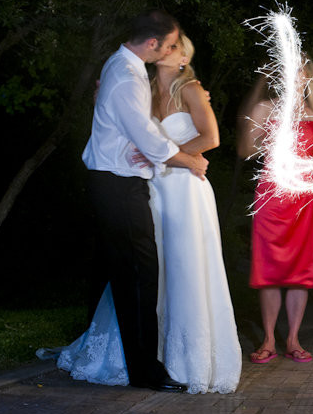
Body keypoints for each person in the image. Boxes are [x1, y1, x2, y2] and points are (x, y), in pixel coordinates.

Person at [59, 31, 241, 394]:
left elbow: (211, 138)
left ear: (184, 58)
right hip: (153, 187)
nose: (165, 50)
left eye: (174, 47)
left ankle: (187, 358)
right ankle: (141, 354)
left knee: (184, 266)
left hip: (185, 188)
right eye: (164, 45)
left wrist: (169, 153)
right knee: (150, 268)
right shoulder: (141, 86)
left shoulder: (191, 89)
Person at [79, 10, 207, 392]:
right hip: (119, 186)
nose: (172, 50)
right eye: (169, 44)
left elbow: (143, 130)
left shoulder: (124, 70)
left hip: (116, 184)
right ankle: (146, 372)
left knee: (128, 274)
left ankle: (140, 367)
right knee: (139, 276)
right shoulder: (126, 77)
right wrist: (190, 160)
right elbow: (151, 141)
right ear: (152, 43)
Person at [240, 60, 313, 365]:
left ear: (308, 77)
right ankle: (268, 338)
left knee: (301, 275)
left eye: (301, 70)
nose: (295, 75)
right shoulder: (265, 109)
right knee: (269, 272)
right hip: (272, 198)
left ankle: (293, 338)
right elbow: (245, 150)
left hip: (308, 203)